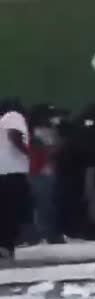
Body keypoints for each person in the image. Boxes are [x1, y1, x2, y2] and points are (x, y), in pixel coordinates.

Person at [27, 105, 65, 244]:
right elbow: (42, 151)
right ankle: (46, 235)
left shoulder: (50, 131)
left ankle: (47, 234)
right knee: (44, 206)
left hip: (47, 172)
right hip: (39, 173)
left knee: (48, 206)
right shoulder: (34, 132)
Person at [0, 99, 31, 259]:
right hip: (13, 173)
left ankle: (5, 245)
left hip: (4, 173)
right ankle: (7, 245)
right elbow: (15, 135)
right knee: (12, 211)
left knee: (5, 211)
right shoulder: (13, 116)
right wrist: (29, 152)